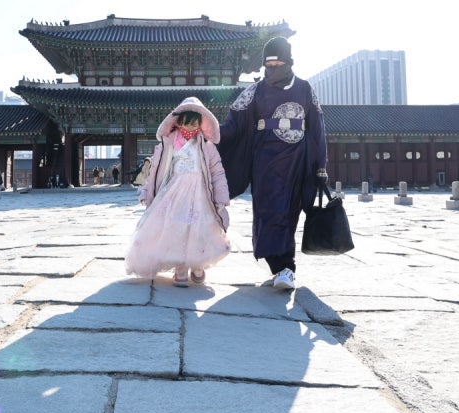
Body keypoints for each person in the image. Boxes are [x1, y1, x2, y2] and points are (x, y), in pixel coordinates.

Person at [218, 36, 328, 290]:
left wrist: (320, 166)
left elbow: (318, 129)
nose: (273, 68)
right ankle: (283, 268)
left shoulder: (305, 89)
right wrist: (208, 131)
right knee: (270, 210)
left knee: (290, 212)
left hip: (297, 162)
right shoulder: (255, 91)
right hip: (265, 163)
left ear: (289, 62)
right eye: (268, 64)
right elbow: (233, 124)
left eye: (278, 63)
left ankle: (284, 267)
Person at [125, 97, 231, 287]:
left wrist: (221, 196)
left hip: (200, 193)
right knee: (176, 226)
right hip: (174, 190)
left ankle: (197, 263)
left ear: (200, 125)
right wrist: (146, 191)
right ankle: (180, 265)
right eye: (186, 126)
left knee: (199, 227)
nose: (190, 131)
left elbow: (217, 171)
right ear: (178, 122)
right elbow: (155, 170)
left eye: (194, 126)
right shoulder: (167, 145)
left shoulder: (207, 146)